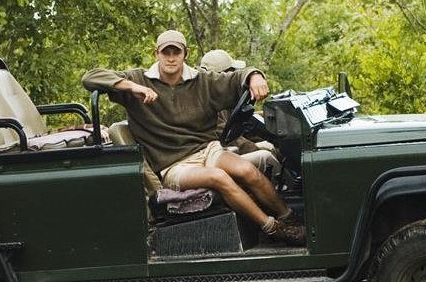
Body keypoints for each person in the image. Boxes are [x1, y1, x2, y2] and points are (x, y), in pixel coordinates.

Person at [83, 31, 304, 243]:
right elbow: (91, 77)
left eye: (176, 52)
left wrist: (254, 76)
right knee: (219, 178)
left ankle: (290, 218)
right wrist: (132, 87)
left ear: (185, 54)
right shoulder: (140, 79)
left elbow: (235, 78)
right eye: (165, 52)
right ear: (156, 54)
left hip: (207, 150)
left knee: (247, 170)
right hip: (174, 165)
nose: (171, 58)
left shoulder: (201, 81)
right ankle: (273, 229)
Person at [198, 48, 284, 182]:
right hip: (214, 158)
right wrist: (254, 148)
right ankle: (281, 191)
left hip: (226, 152)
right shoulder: (206, 103)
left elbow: (239, 123)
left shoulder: (223, 99)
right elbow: (228, 137)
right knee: (266, 157)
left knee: (272, 147)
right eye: (232, 73)